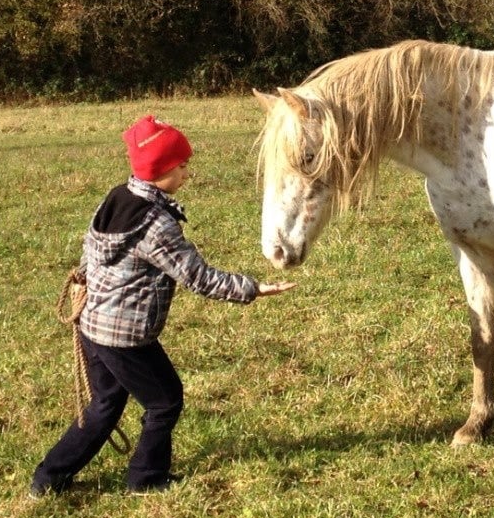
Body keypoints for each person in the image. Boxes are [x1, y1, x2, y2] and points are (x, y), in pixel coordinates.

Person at [30, 115, 296, 496]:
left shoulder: (116, 197)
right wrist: (253, 289)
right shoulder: (156, 225)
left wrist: (82, 284)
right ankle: (145, 477)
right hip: (125, 336)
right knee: (165, 400)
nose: (188, 174)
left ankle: (48, 479)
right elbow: (198, 277)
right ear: (161, 169)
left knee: (104, 405)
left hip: (94, 325)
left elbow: (90, 251)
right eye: (182, 166)